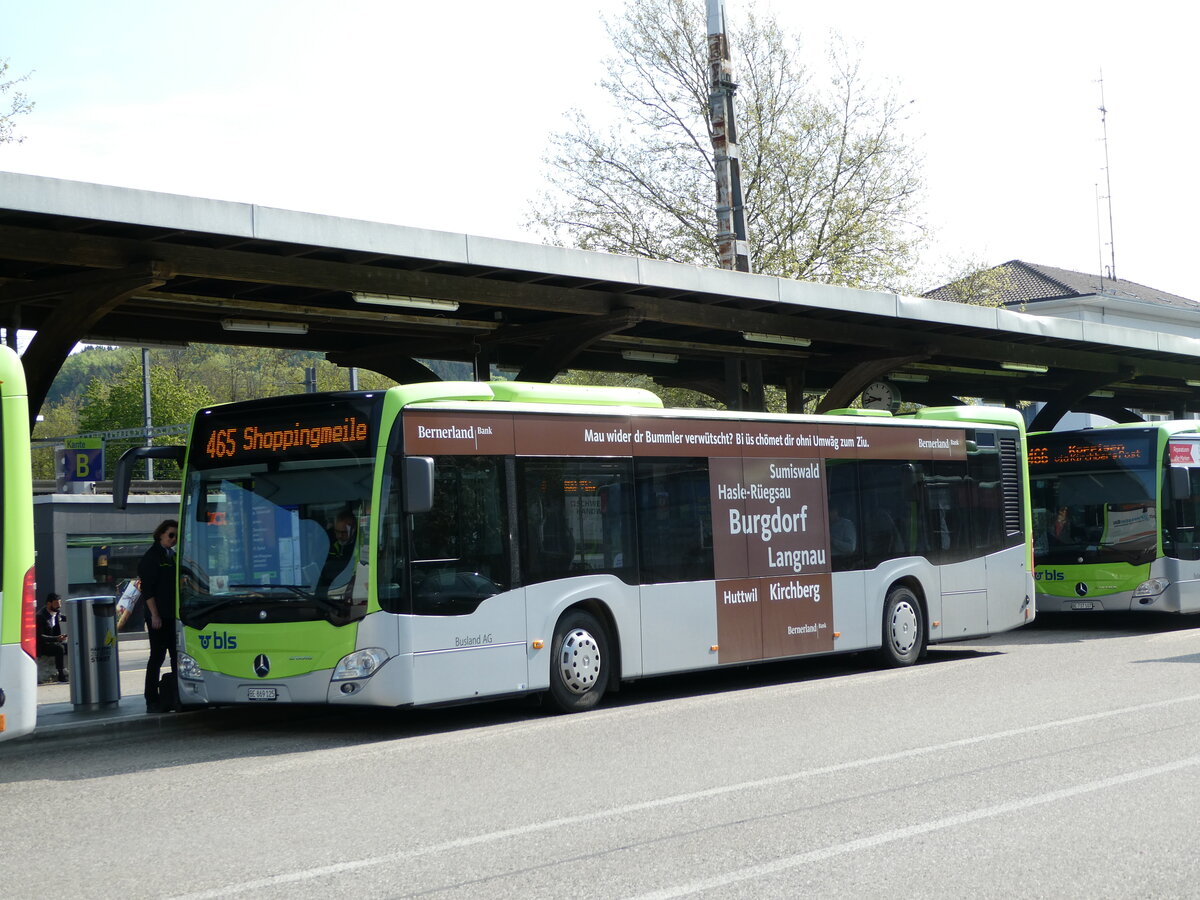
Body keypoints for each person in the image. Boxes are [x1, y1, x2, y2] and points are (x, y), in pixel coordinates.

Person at [139, 519, 178, 713]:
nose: (174, 539)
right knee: (157, 656)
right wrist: (154, 615)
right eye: (171, 535)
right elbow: (147, 590)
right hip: (159, 616)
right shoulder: (152, 557)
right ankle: (151, 698)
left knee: (176, 655)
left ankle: (177, 695)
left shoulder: (173, 556)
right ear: (160, 534)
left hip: (173, 615)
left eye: (176, 536)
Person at [36, 592, 69, 683]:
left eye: (60, 603)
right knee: (60, 648)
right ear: (49, 604)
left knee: (71, 646)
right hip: (43, 645)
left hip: (55, 642)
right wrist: (56, 638)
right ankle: (61, 674)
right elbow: (40, 636)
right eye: (56, 603)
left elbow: (64, 618)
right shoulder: (40, 617)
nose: (59, 606)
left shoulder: (56, 614)